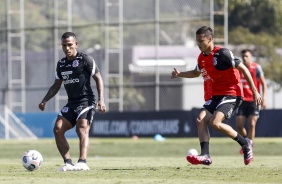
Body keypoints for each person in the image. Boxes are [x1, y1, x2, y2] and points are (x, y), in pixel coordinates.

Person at [171, 26, 262, 165]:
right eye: (197, 42)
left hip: (232, 93)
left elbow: (243, 68)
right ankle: (205, 155)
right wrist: (179, 74)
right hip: (217, 95)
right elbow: (196, 73)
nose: (198, 44)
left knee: (215, 122)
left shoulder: (222, 53)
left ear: (210, 39)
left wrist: (255, 91)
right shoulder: (202, 57)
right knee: (200, 120)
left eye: (201, 41)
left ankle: (245, 144)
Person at [38, 32, 106, 171]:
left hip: (86, 101)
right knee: (57, 128)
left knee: (81, 127)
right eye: (64, 45)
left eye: (69, 45)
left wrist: (101, 100)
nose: (67, 48)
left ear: (76, 44)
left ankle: (82, 162)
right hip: (72, 103)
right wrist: (44, 100)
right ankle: (68, 163)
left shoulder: (85, 59)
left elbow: (98, 78)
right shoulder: (61, 64)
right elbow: (56, 85)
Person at [236, 49, 267, 154]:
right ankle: (246, 142)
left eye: (247, 56)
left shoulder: (256, 68)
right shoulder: (238, 68)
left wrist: (263, 98)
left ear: (251, 57)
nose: (245, 58)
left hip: (254, 100)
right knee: (239, 125)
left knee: (252, 123)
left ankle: (249, 146)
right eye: (243, 56)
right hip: (242, 100)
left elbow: (263, 83)